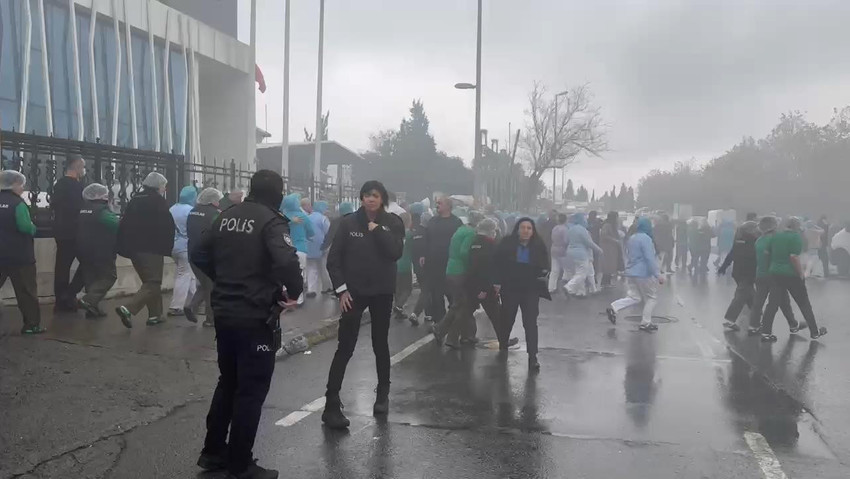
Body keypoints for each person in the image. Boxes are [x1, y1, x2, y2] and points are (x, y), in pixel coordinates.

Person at [192, 170, 303, 479]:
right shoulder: (272, 220)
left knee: (228, 381)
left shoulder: (227, 215)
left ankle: (213, 451)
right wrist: (293, 293)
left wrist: (223, 278)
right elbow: (286, 261)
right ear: (278, 193)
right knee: (250, 390)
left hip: (224, 312)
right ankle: (241, 464)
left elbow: (198, 252)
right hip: (254, 315)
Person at [322, 180, 405, 430]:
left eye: (376, 195)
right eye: (367, 195)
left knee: (380, 343)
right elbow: (333, 260)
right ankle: (332, 402)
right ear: (361, 198)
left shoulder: (393, 223)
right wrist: (341, 290)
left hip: (382, 292)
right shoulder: (348, 223)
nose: (371, 199)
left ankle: (382, 394)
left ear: (382, 199)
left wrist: (377, 230)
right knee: (345, 346)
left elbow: (395, 253)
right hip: (354, 293)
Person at [115, 172, 176, 328]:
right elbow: (166, 225)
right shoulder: (158, 201)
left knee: (150, 283)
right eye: (163, 185)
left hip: (134, 250)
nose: (164, 188)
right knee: (153, 282)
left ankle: (155, 315)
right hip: (151, 249)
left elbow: (124, 224)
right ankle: (128, 309)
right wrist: (167, 247)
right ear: (157, 186)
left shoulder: (135, 199)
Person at [494, 218, 550, 371]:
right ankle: (503, 346)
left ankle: (533, 356)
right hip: (510, 288)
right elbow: (497, 264)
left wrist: (542, 276)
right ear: (517, 229)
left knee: (530, 323)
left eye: (529, 228)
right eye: (523, 227)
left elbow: (545, 265)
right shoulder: (507, 244)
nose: (526, 231)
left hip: (530, 290)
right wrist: (497, 282)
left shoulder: (538, 246)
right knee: (507, 319)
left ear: (533, 231)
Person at [760, 217, 827, 342]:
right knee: (804, 304)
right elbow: (794, 257)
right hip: (792, 275)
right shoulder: (796, 237)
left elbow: (766, 253)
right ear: (797, 227)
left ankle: (766, 332)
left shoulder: (775, 236)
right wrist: (801, 273)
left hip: (775, 274)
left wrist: (771, 267)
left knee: (772, 304)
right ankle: (814, 332)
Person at [0, 171, 44, 334]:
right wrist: (34, 227)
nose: (23, 188)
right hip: (19, 256)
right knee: (26, 291)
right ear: (15, 184)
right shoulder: (17, 203)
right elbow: (26, 227)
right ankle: (32, 324)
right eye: (21, 185)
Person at [432, 211, 482, 348]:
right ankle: (448, 335)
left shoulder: (460, 230)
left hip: (451, 269)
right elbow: (464, 251)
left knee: (459, 304)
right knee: (463, 306)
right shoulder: (471, 233)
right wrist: (471, 266)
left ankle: (466, 335)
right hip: (460, 271)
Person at [606, 217, 664, 332]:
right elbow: (649, 258)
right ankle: (646, 323)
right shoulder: (646, 239)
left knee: (634, 297)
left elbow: (628, 254)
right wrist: (658, 274)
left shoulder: (632, 238)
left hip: (632, 272)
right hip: (643, 273)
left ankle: (614, 307)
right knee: (651, 298)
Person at [747, 216, 798, 336]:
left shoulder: (759, 240)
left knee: (761, 302)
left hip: (760, 275)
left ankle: (753, 326)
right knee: (774, 304)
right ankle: (767, 332)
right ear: (773, 226)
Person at [76, 184, 119, 319]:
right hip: (101, 250)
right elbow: (116, 224)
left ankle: (92, 309)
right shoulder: (102, 211)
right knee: (108, 277)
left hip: (83, 249)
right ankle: (88, 300)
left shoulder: (84, 209)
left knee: (91, 279)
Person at [51, 154, 87, 311]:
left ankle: (61, 299)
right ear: (77, 167)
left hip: (61, 231)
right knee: (89, 262)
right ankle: (71, 293)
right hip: (76, 231)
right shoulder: (77, 187)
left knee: (62, 266)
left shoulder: (59, 184)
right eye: (83, 166)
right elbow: (82, 208)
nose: (84, 170)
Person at [184, 187, 223, 327]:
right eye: (218, 200)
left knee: (205, 283)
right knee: (212, 286)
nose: (219, 202)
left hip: (192, 253)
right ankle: (210, 319)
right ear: (213, 201)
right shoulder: (216, 214)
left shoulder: (192, 212)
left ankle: (192, 307)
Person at [422, 196, 463, 323]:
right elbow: (426, 239)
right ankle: (439, 321)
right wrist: (423, 255)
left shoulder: (456, 222)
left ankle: (454, 319)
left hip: (450, 263)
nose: (437, 205)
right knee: (436, 294)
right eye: (436, 203)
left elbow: (461, 242)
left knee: (452, 293)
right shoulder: (433, 221)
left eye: (440, 203)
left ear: (448, 206)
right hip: (434, 263)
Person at [717, 220, 759, 330]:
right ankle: (730, 320)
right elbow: (756, 258)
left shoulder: (738, 240)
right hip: (748, 273)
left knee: (751, 297)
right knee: (740, 297)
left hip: (738, 272)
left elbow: (731, 255)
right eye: (755, 228)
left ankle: (758, 320)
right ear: (751, 230)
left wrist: (723, 267)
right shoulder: (754, 241)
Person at [167, 186, 199, 316]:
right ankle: (177, 306)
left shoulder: (172, 208)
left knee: (189, 274)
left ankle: (194, 301)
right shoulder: (191, 210)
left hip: (172, 246)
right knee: (184, 275)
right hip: (185, 246)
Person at [280, 194, 314, 305]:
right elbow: (311, 232)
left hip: (285, 249)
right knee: (300, 273)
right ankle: (298, 300)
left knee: (285, 273)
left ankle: (284, 295)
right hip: (301, 249)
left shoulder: (282, 216)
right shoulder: (303, 217)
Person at [564, 213, 603, 297]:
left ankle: (580, 292)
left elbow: (566, 241)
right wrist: (599, 250)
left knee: (578, 272)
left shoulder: (570, 229)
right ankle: (569, 287)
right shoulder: (583, 230)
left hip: (570, 253)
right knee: (582, 274)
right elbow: (589, 243)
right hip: (581, 254)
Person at [320, 202, 354, 294]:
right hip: (353, 250)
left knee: (338, 269)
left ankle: (339, 289)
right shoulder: (356, 220)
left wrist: (323, 246)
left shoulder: (336, 221)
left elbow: (330, 235)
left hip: (339, 249)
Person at [408, 202, 429, 325]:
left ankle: (429, 313)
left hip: (416, 265)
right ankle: (416, 313)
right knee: (427, 290)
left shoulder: (414, 231)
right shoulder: (428, 232)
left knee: (425, 289)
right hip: (426, 266)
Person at [306, 201, 331, 298]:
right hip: (321, 246)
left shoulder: (307, 217)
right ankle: (327, 287)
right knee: (324, 268)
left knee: (311, 268)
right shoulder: (323, 219)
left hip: (308, 245)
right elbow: (328, 232)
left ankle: (311, 289)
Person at [393, 212, 416, 321]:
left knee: (398, 288)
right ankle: (399, 305)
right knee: (407, 288)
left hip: (395, 264)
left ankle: (398, 309)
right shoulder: (410, 235)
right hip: (406, 265)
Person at [548, 213, 569, 293]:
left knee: (554, 270)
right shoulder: (565, 229)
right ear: (565, 220)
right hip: (562, 250)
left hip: (554, 249)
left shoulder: (555, 228)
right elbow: (566, 240)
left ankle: (551, 287)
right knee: (566, 270)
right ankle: (566, 287)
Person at [600, 211, 622, 287]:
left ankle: (607, 282)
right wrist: (615, 240)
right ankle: (605, 282)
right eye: (616, 217)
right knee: (608, 265)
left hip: (612, 248)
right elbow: (604, 235)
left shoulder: (612, 225)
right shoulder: (607, 225)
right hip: (608, 248)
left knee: (610, 265)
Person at [587, 210, 604, 280]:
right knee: (595, 261)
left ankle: (591, 276)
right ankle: (593, 276)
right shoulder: (597, 222)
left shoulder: (586, 222)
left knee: (591, 261)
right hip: (594, 243)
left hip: (588, 243)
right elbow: (602, 226)